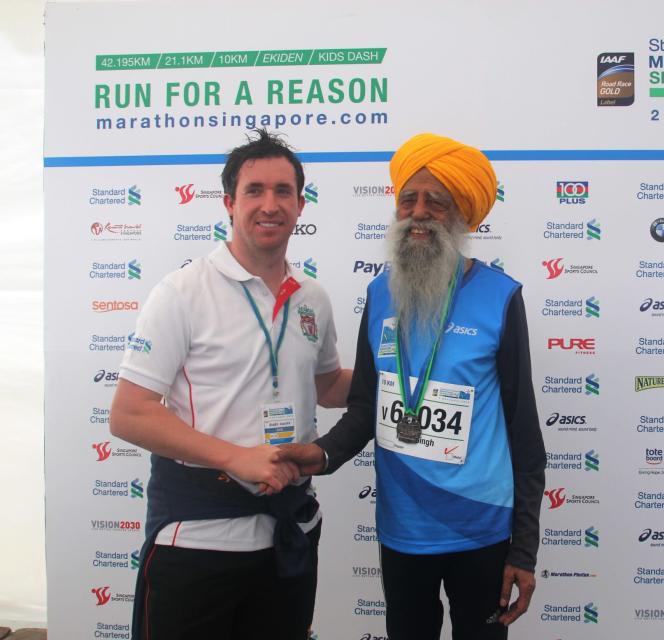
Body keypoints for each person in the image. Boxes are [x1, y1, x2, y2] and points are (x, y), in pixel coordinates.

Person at [280, 132, 546, 639]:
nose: (418, 212)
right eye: (409, 198)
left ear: (462, 215)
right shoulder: (380, 293)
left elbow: (525, 436)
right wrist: (320, 455)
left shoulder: (500, 297)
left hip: (482, 529)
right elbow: (364, 408)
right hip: (403, 529)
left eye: (436, 201)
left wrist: (524, 548)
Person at [110, 129, 351, 640]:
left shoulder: (313, 296)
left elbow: (328, 384)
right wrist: (232, 456)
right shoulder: (182, 291)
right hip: (198, 539)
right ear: (229, 203)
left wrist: (412, 379)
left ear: (301, 205)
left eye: (283, 191)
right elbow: (129, 413)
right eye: (255, 190)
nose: (270, 204)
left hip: (289, 534)